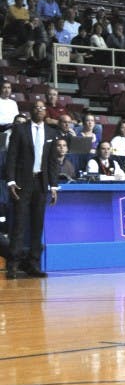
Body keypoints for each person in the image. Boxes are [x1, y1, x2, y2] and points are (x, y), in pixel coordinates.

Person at [5, 99, 58, 278]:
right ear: (31, 111)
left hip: (41, 183)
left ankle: (33, 264)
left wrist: (54, 185)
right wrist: (11, 181)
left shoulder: (51, 132)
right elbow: (11, 156)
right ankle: (12, 265)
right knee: (19, 224)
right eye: (36, 107)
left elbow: (52, 162)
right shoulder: (20, 130)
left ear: (46, 112)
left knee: (37, 225)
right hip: (22, 183)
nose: (40, 110)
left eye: (43, 108)